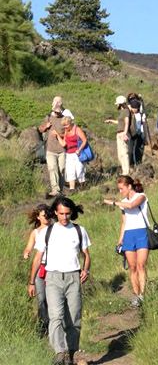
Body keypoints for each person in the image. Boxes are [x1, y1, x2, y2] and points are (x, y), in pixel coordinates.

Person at [28, 195, 91, 365]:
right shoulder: (46, 232)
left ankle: (71, 352)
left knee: (74, 318)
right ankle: (59, 352)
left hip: (73, 277)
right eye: (61, 213)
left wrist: (85, 270)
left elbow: (86, 255)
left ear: (71, 213)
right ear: (55, 212)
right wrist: (32, 281)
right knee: (55, 316)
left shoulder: (79, 230)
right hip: (53, 278)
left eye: (67, 213)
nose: (64, 217)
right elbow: (37, 257)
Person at [104, 175, 149, 307]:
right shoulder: (123, 202)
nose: (120, 191)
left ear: (129, 187)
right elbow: (124, 222)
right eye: (118, 189)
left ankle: (143, 294)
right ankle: (136, 295)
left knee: (141, 265)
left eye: (121, 188)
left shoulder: (141, 196)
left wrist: (113, 202)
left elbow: (131, 206)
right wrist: (120, 240)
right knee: (132, 267)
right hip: (129, 234)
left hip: (141, 232)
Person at [24, 203, 52, 336]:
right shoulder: (35, 232)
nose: (46, 217)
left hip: (54, 266)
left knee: (53, 298)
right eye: (43, 215)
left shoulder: (55, 229)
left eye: (47, 215)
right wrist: (27, 252)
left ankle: (54, 325)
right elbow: (29, 247)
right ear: (38, 217)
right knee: (41, 298)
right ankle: (43, 326)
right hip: (40, 267)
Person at [38, 99, 66, 197]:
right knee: (52, 168)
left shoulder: (65, 118)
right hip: (50, 149)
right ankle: (55, 190)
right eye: (55, 111)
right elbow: (40, 129)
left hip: (62, 149)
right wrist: (46, 126)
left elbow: (67, 133)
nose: (57, 113)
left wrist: (58, 134)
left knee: (62, 169)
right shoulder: (48, 117)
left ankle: (60, 190)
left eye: (58, 111)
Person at [52, 116, 87, 193]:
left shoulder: (77, 129)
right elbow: (64, 144)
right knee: (70, 172)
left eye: (66, 125)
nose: (65, 127)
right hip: (69, 154)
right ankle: (72, 189)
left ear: (70, 123)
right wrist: (57, 136)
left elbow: (84, 140)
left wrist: (79, 149)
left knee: (79, 171)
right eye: (64, 125)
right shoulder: (66, 131)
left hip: (78, 154)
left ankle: (83, 188)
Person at [105, 95, 130, 175]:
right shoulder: (122, 112)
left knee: (124, 153)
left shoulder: (126, 111)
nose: (116, 105)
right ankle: (124, 171)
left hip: (123, 133)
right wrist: (111, 121)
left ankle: (126, 171)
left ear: (120, 104)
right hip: (119, 133)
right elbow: (120, 122)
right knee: (120, 154)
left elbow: (127, 122)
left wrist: (125, 133)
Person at [127, 93, 148, 166]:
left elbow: (144, 124)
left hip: (140, 133)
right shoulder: (128, 112)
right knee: (131, 150)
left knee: (138, 150)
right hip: (131, 133)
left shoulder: (141, 113)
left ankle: (138, 164)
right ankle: (131, 164)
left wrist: (145, 136)